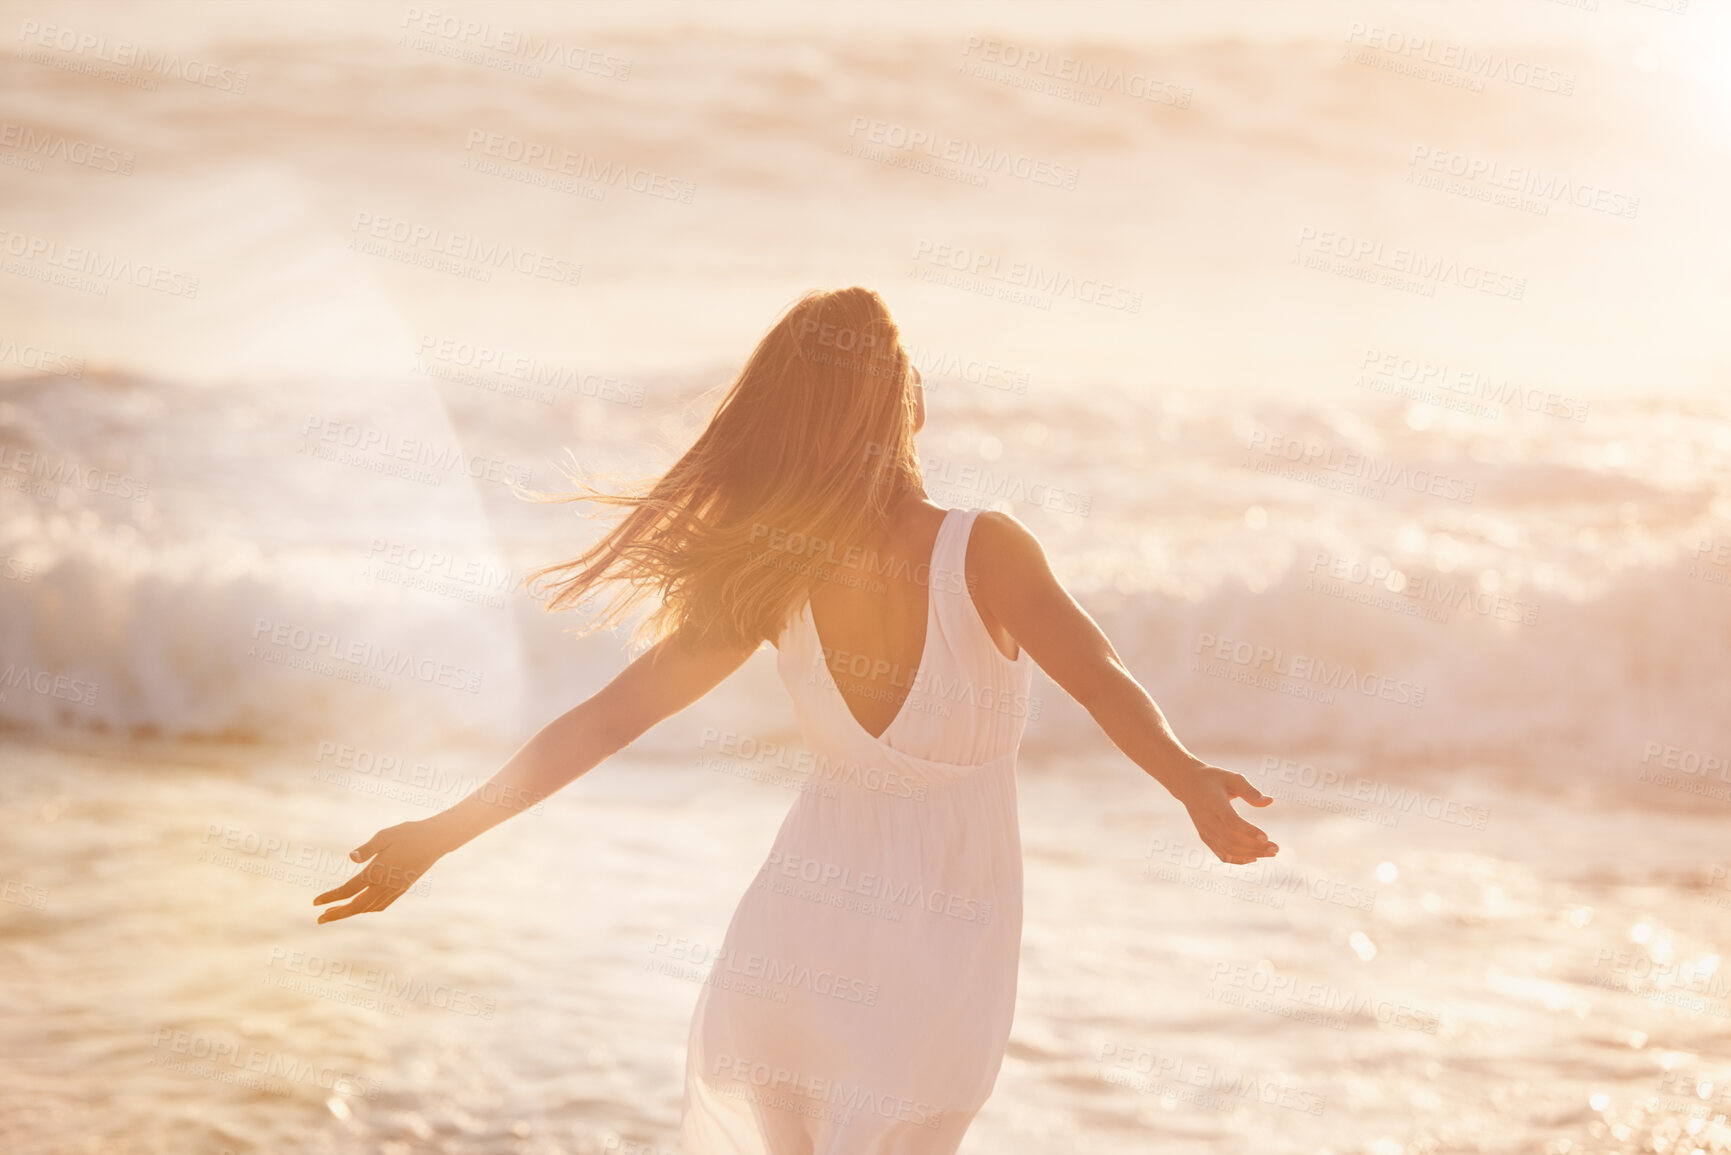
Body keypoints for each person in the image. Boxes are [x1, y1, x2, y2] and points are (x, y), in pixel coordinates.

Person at [315, 286, 1279, 1152]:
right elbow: (1100, 674)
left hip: (797, 938)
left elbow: (605, 722)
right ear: (903, 403)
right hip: (943, 945)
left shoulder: (775, 573)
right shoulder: (979, 549)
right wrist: (1186, 777)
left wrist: (443, 832)